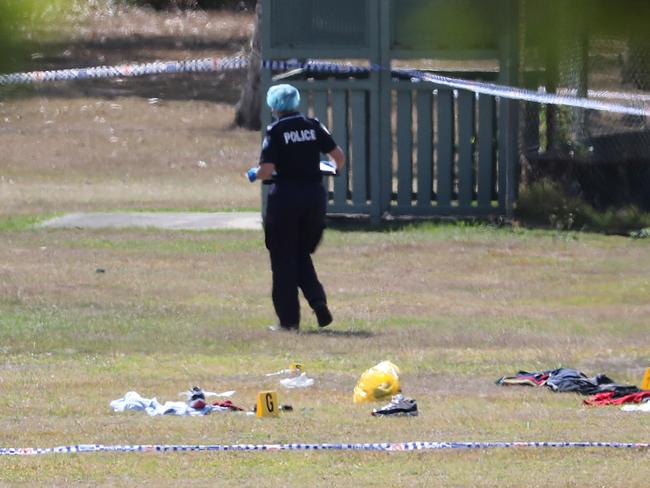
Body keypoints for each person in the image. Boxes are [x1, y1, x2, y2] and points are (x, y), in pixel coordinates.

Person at [249, 84, 345, 331]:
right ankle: (318, 301)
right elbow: (339, 157)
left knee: (282, 260)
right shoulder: (313, 126)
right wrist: (331, 169)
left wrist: (254, 174)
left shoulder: (276, 130)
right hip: (314, 199)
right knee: (300, 253)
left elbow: (267, 170)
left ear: (274, 106)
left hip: (285, 200)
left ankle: (289, 321)